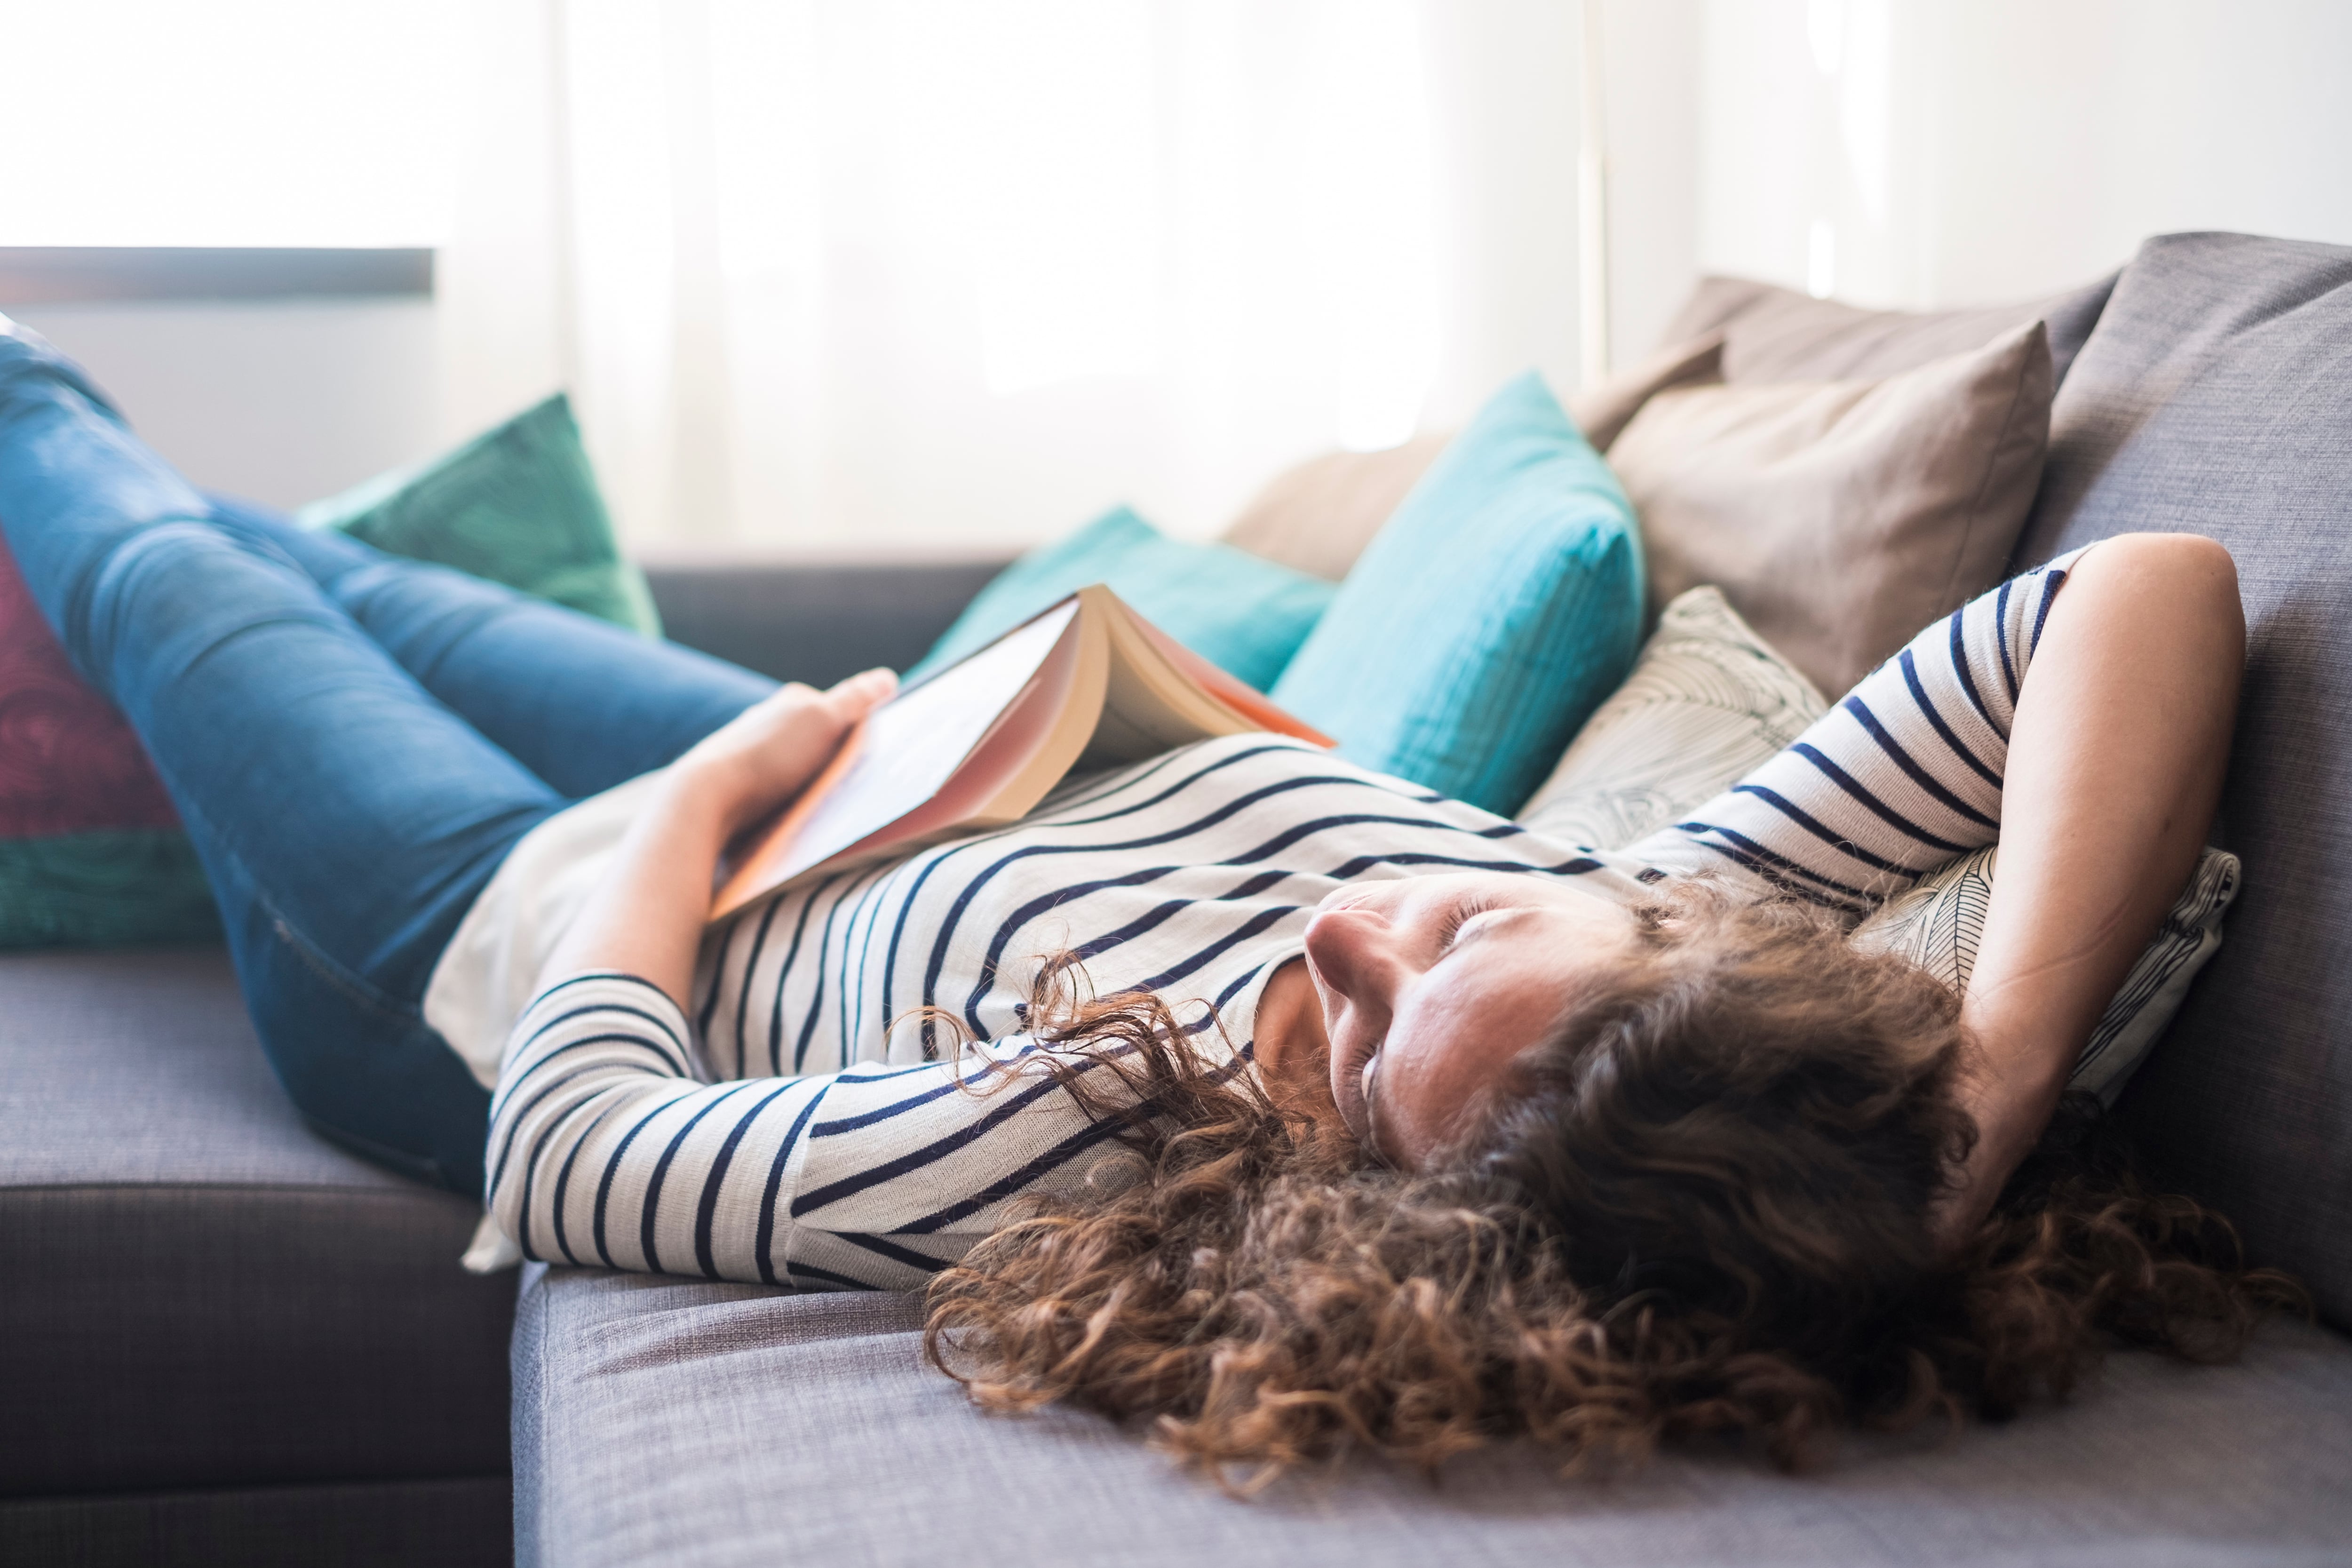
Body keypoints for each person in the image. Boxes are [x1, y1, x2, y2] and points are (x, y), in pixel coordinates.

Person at [0, 321, 2291, 1480]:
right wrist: (1979, 1095)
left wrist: (699, 803)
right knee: (288, 555)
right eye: (1467, 930)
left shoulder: (1121, 1126)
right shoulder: (1638, 901)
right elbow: (2137, 591)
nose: (1356, 943)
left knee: (129, 534)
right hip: (862, 773)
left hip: (514, 934)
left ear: (1402, 1222)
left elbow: (577, 1153)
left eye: (1382, 1046)